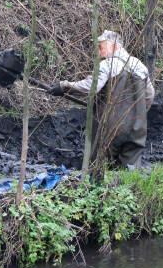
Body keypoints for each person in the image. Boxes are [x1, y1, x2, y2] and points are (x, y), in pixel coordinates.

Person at [47, 30, 154, 169]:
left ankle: (99, 190)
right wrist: (138, 117)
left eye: (101, 47)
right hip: (137, 129)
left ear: (115, 46)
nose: (98, 52)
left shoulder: (107, 65)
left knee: (100, 168)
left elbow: (91, 87)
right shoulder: (140, 66)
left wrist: (64, 86)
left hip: (110, 128)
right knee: (130, 171)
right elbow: (149, 96)